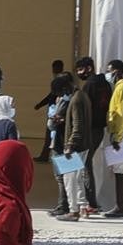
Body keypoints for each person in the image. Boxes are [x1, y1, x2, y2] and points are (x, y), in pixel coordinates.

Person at [74, 57, 112, 211]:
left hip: (88, 131)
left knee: (81, 164)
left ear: (89, 68)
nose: (79, 73)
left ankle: (83, 202)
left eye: (80, 69)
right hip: (99, 130)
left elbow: (82, 113)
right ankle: (84, 201)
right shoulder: (106, 84)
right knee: (83, 164)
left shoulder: (88, 86)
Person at [103, 59, 123, 217]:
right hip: (122, 132)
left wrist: (117, 136)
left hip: (121, 133)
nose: (108, 74)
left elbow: (121, 114)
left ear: (117, 71)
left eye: (110, 71)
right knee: (122, 170)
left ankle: (120, 206)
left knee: (120, 171)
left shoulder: (122, 88)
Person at [58, 74, 92, 222]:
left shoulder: (76, 99)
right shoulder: (82, 95)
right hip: (83, 144)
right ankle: (83, 205)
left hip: (75, 146)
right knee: (78, 178)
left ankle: (73, 211)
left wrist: (70, 145)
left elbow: (77, 124)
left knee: (69, 178)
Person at [46, 76, 73, 217]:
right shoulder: (73, 98)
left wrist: (53, 119)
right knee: (69, 176)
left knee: (62, 177)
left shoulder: (64, 101)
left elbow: (52, 124)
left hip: (61, 142)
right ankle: (68, 205)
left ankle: (64, 205)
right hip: (66, 142)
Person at [34, 60, 67, 163]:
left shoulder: (59, 81)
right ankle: (49, 155)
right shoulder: (61, 80)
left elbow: (51, 96)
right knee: (54, 135)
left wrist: (40, 104)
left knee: (53, 134)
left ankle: (49, 156)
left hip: (56, 112)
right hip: (56, 111)